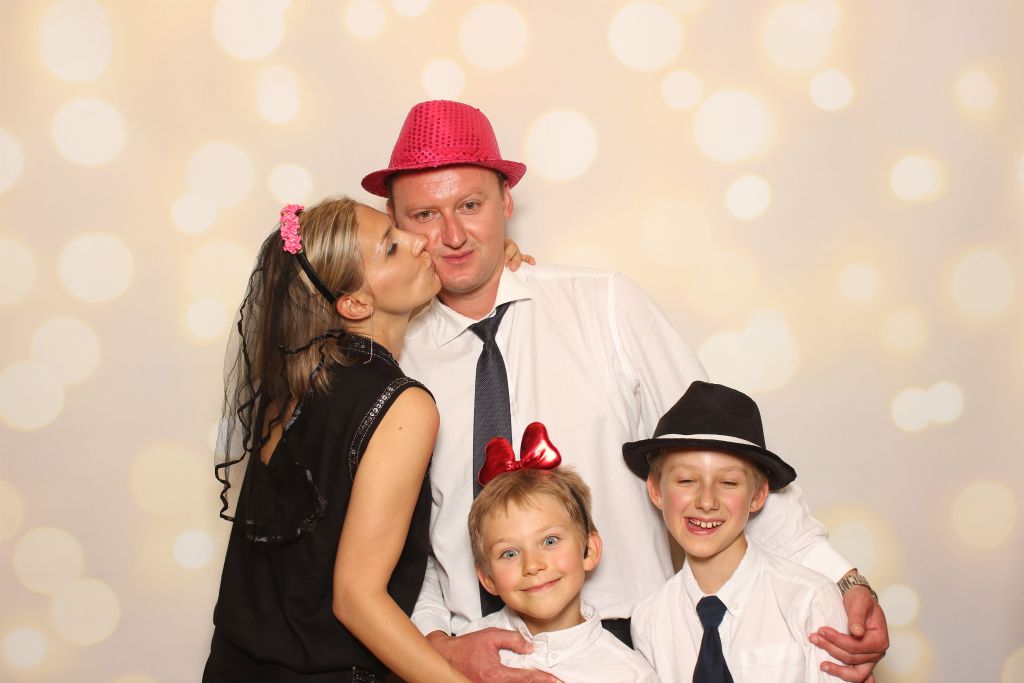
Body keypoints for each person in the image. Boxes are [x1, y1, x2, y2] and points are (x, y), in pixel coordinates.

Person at [360, 99, 889, 683]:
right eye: (425, 215)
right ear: (395, 223)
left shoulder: (604, 306)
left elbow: (722, 455)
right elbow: (402, 543)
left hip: (631, 645)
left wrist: (842, 578)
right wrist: (438, 647)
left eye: (470, 205)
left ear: (506, 201)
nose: (454, 235)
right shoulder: (392, 360)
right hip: (469, 659)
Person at [204, 197, 471, 683]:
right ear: (354, 303)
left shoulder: (293, 385)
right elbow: (356, 600)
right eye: (391, 247)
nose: (419, 240)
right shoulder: (403, 405)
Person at [624, 381, 849, 681]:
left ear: (758, 495)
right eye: (686, 481)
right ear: (655, 490)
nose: (706, 502)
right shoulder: (650, 620)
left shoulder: (809, 600)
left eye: (728, 483)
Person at [461, 422, 659, 682]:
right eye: (509, 553)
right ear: (487, 578)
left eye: (550, 541)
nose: (532, 565)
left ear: (589, 550)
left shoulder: (631, 675)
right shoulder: (466, 650)